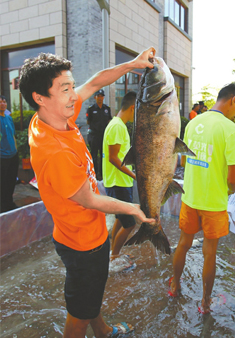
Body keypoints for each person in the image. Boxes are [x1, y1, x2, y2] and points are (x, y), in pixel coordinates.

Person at [20, 48, 156, 337]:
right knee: (79, 315)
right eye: (65, 89)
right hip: (83, 245)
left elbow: (95, 82)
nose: (74, 95)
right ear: (39, 98)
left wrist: (134, 64)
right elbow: (90, 200)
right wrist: (134, 209)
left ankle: (103, 330)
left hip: (77, 233)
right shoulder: (55, 151)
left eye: (71, 86)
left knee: (88, 297)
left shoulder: (51, 117)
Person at [169, 83, 235, 314]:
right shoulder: (231, 130)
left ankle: (174, 284)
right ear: (233, 100)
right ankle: (205, 302)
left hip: (190, 197)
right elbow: (233, 181)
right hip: (213, 203)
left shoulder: (193, 123)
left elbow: (184, 162)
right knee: (209, 253)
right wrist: (231, 191)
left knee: (183, 244)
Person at [102, 91, 138, 268]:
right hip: (118, 182)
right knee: (130, 224)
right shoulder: (117, 126)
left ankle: (113, 252)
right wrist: (134, 175)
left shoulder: (118, 125)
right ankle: (115, 257)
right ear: (133, 107)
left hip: (120, 182)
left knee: (120, 219)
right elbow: (113, 158)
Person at [86, 89, 111, 181]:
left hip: (103, 136)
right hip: (94, 135)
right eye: (98, 96)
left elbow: (109, 120)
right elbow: (88, 121)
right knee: (94, 155)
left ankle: (102, 173)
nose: (100, 98)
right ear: (95, 97)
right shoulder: (91, 109)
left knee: (103, 155)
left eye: (101, 96)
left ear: (103, 97)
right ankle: (95, 174)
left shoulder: (106, 109)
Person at [0, 95, 19, 212]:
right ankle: (2, 205)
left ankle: (9, 203)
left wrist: (16, 150)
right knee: (2, 181)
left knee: (11, 180)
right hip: (2, 156)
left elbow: (13, 136)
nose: (3, 103)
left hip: (13, 155)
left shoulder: (9, 118)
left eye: (4, 101)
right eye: (0, 101)